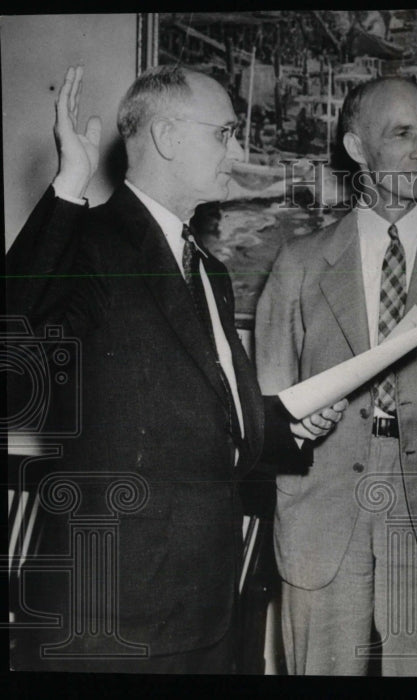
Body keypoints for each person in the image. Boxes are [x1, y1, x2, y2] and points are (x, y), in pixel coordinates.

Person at [7, 65, 346, 674]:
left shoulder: (207, 270)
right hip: (109, 616)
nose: (238, 152)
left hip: (205, 610)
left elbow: (200, 413)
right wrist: (68, 187)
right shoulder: (91, 243)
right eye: (225, 133)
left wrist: (291, 424)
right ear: (166, 136)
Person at [254, 76, 417, 676]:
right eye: (402, 134)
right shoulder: (299, 263)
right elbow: (266, 412)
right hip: (323, 507)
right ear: (357, 149)